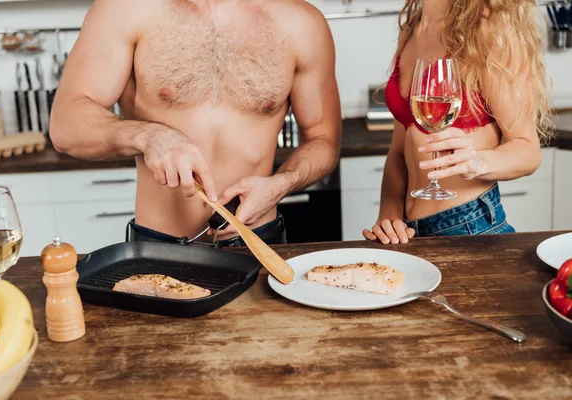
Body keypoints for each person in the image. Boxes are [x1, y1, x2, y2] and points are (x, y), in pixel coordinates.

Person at [50, 0, 341, 247]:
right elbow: (66, 124)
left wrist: (281, 183)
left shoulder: (302, 23)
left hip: (257, 242)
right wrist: (148, 135)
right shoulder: (126, 8)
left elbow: (323, 139)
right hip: (158, 246)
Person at [363, 0, 552, 244]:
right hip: (408, 234)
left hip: (468, 226)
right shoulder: (411, 28)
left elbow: (528, 149)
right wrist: (389, 217)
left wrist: (478, 162)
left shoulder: (488, 29)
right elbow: (399, 151)